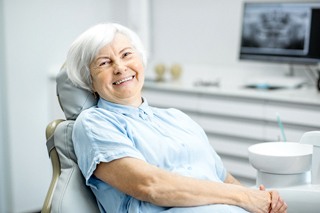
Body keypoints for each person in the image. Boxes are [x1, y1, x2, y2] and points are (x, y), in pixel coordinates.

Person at [66, 23, 287, 213]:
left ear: (141, 61)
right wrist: (244, 198)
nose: (120, 67)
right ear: (89, 81)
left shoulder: (177, 118)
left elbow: (224, 179)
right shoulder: (94, 123)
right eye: (104, 63)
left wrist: (261, 202)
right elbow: (151, 186)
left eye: (126, 54)